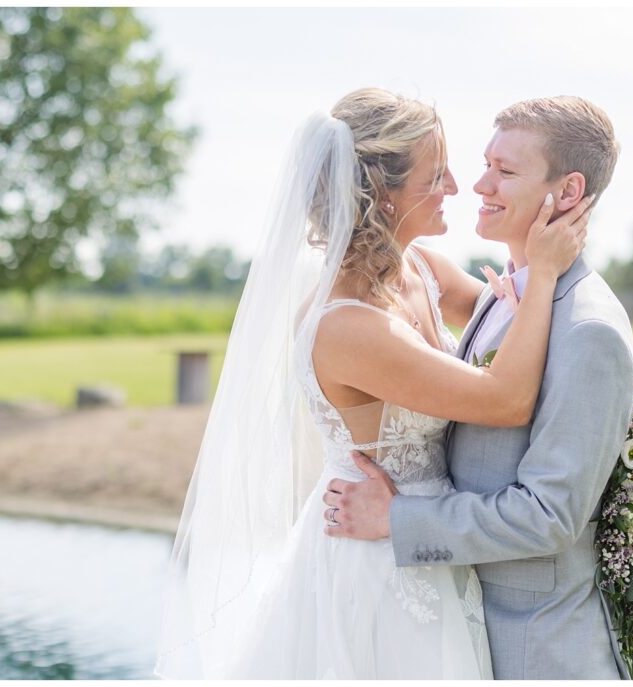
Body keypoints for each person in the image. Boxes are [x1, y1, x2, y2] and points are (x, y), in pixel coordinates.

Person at [153, 88, 592, 679]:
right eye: (436, 176)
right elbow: (505, 400)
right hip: (377, 563)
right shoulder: (348, 327)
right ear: (384, 197)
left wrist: (539, 251)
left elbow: (503, 318)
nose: (458, 189)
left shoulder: (423, 268)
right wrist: (542, 273)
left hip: (426, 540)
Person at [323, 96, 633, 680]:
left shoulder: (588, 329)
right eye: (483, 162)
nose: (475, 184)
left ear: (567, 193)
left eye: (506, 170)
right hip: (441, 612)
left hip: (534, 645)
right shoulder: (511, 293)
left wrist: (400, 520)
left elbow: (550, 514)